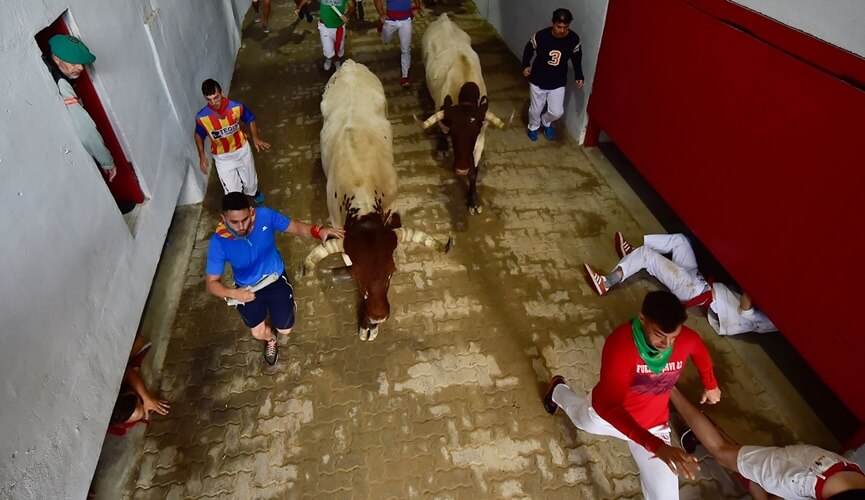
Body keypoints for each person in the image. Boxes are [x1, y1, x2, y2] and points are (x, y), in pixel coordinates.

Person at [543, 291, 722, 499]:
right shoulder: (620, 346)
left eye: (673, 337)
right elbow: (610, 407)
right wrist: (657, 447)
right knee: (580, 420)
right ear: (642, 319)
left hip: (653, 426)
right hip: (609, 416)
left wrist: (711, 384)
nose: (667, 344)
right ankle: (557, 390)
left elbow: (699, 350)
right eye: (659, 335)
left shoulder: (686, 339)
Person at [205, 192, 344, 365]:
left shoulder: (265, 215)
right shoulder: (218, 242)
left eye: (245, 219)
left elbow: (295, 227)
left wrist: (319, 231)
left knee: (285, 330)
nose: (241, 227)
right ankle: (271, 340)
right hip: (246, 290)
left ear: (251, 211)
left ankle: (288, 307)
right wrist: (234, 294)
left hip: (275, 279)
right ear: (223, 218)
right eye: (234, 222)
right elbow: (212, 283)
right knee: (258, 333)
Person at [671, 388, 865, 499]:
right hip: (808, 477)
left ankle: (714, 433)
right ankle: (668, 386)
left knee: (758, 483)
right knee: (721, 453)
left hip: (835, 468)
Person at [584, 232, 778, 336]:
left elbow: (745, 310)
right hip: (699, 283)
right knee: (681, 241)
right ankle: (634, 257)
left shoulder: (772, 322)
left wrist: (754, 280)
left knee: (647, 256)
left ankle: (607, 283)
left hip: (693, 290)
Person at [43, 35, 136, 214]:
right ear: (56, 58)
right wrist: (107, 162)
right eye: (74, 62)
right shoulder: (62, 84)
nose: (80, 67)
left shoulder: (56, 73)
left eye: (82, 63)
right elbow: (86, 130)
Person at [194, 79, 271, 204]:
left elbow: (250, 118)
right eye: (209, 99)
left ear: (222, 93)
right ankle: (241, 207)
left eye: (216, 97)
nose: (214, 102)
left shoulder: (236, 107)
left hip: (242, 150)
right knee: (232, 192)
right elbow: (198, 134)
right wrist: (201, 155)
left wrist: (256, 137)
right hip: (222, 158)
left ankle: (253, 192)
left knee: (250, 181)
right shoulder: (202, 117)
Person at [521, 8, 584, 142]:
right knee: (535, 110)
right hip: (538, 80)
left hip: (558, 81)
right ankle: (533, 126)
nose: (562, 30)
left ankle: (545, 122)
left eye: (565, 27)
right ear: (552, 23)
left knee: (557, 112)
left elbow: (577, 57)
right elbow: (528, 49)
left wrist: (579, 75)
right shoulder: (541, 36)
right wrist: (526, 64)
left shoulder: (573, 39)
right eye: (558, 26)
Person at [107, 336, 170, 436]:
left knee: (138, 343)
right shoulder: (113, 425)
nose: (143, 404)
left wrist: (146, 397)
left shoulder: (110, 384)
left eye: (139, 400)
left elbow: (130, 372)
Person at [373, 0, 423, 88]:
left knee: (406, 49)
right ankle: (382, 26)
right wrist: (381, 14)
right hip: (390, 20)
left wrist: (418, 6)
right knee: (386, 41)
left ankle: (405, 76)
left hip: (406, 20)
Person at [296, 0, 356, 71]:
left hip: (339, 27)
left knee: (339, 48)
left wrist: (347, 15)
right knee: (327, 49)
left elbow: (352, 5)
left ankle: (337, 61)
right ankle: (329, 59)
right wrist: (299, 7)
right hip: (324, 27)